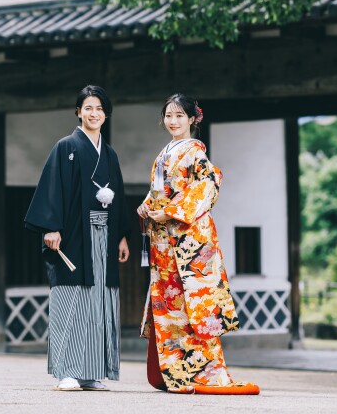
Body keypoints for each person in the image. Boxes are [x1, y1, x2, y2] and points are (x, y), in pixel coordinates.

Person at [137, 94, 260, 395]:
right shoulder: (165, 152)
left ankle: (204, 373)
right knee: (170, 302)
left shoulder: (195, 152)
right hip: (166, 241)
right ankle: (176, 374)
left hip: (189, 239)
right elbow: (160, 191)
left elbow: (207, 186)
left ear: (193, 119)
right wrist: (146, 206)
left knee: (195, 303)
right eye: (169, 115)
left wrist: (171, 211)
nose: (173, 121)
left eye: (180, 115)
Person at [25, 85, 130, 391]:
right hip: (73, 235)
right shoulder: (66, 148)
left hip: (105, 236)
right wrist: (51, 227)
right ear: (78, 112)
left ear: (106, 114)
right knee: (71, 299)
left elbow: (120, 197)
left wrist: (122, 235)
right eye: (88, 108)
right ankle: (67, 370)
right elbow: (52, 189)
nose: (93, 113)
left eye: (99, 108)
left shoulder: (109, 155)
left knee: (99, 302)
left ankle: (91, 372)